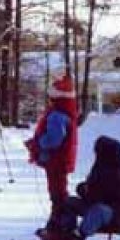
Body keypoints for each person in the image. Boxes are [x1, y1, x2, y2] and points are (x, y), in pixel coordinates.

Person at [25, 74, 79, 227]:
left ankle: (61, 223)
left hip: (55, 159)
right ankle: (57, 222)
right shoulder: (68, 112)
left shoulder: (57, 115)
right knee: (58, 190)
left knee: (57, 192)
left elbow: (54, 140)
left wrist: (38, 143)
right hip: (61, 159)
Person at [62, 135, 120, 240]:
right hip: (94, 204)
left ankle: (80, 235)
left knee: (98, 210)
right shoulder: (100, 167)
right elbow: (91, 189)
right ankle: (65, 230)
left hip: (115, 214)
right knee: (68, 202)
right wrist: (83, 188)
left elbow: (99, 194)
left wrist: (84, 190)